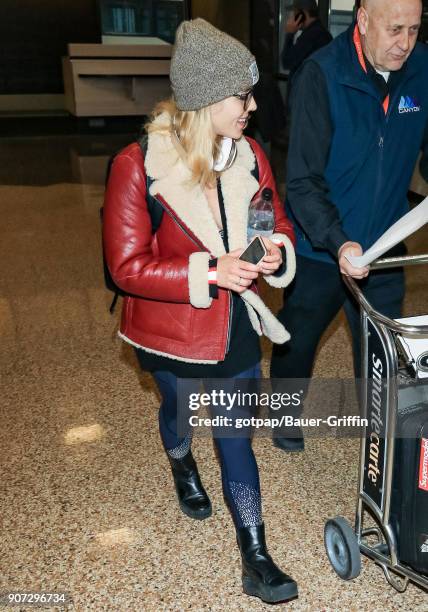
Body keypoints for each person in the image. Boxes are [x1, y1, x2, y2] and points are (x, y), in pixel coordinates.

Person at [103, 18, 298, 603]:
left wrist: (270, 253)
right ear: (208, 98)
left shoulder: (250, 154)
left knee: (236, 436)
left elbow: (274, 222)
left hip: (236, 322)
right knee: (181, 411)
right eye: (243, 94)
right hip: (171, 331)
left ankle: (256, 554)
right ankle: (181, 460)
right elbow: (126, 267)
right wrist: (209, 271)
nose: (253, 105)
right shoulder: (136, 166)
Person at [271, 0, 428, 452]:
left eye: (415, 30)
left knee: (383, 356)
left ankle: (380, 443)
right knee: (296, 342)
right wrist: (338, 242)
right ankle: (285, 420)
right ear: (362, 20)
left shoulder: (421, 69)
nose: (405, 44)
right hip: (321, 246)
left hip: (384, 243)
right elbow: (301, 182)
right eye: (395, 29)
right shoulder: (320, 75)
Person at [281, 0, 332, 81]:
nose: (293, 17)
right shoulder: (320, 32)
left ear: (302, 14)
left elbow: (287, 62)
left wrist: (290, 34)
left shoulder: (312, 35)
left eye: (295, 13)